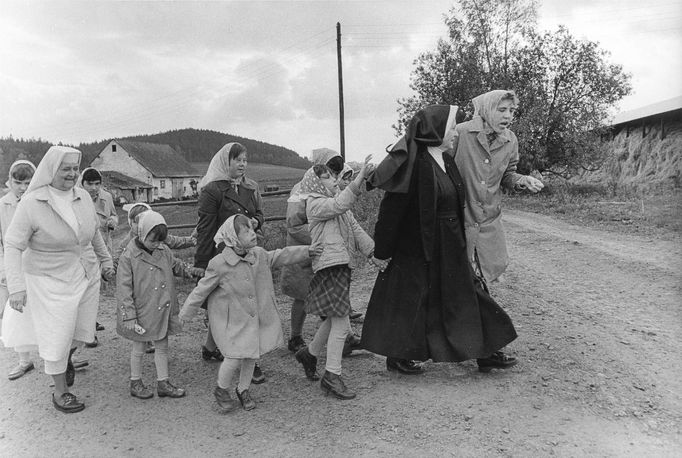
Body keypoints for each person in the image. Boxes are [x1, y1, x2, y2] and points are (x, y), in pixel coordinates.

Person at [360, 105, 518, 375]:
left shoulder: (445, 160)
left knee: (468, 293)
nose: (456, 132)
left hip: (450, 243)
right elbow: (392, 211)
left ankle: (486, 351)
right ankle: (398, 355)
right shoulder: (415, 165)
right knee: (413, 300)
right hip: (420, 245)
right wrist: (382, 250)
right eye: (452, 128)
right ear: (436, 132)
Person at [3, 146, 114, 413]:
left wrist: (106, 260)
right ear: (51, 169)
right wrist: (16, 287)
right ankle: (61, 392)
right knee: (56, 336)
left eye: (75, 169)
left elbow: (94, 232)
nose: (72, 174)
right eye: (66, 169)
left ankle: (67, 358)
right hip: (48, 280)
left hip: (85, 274)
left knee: (81, 330)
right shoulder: (32, 202)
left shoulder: (83, 196)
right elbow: (13, 245)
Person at [180, 214, 317, 412]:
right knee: (234, 356)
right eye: (246, 232)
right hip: (233, 320)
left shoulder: (258, 254)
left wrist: (308, 251)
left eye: (252, 230)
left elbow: (282, 255)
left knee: (252, 355)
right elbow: (200, 290)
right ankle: (221, 388)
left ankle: (243, 389)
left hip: (254, 317)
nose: (253, 234)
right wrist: (185, 315)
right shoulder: (219, 264)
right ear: (233, 238)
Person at [293, 156, 376, 400]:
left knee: (333, 317)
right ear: (315, 184)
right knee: (341, 322)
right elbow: (341, 205)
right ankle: (332, 375)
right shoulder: (316, 205)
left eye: (332, 177)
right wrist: (359, 178)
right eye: (327, 178)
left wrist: (373, 252)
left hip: (340, 265)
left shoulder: (332, 202)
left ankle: (309, 354)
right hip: (330, 266)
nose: (333, 181)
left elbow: (354, 227)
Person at [454, 90, 544, 283]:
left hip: (489, 219)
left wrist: (522, 180)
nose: (508, 116)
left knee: (485, 273)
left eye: (512, 111)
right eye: (501, 109)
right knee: (457, 275)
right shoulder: (460, 133)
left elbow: (508, 174)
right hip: (459, 217)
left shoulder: (510, 140)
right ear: (486, 109)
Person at [194, 143, 266, 383]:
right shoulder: (212, 190)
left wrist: (255, 221)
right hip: (225, 257)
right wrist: (201, 262)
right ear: (226, 162)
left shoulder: (250, 187)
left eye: (245, 160)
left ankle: (210, 347)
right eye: (238, 160)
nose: (243, 164)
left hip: (249, 253)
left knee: (239, 305)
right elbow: (205, 229)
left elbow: (259, 213)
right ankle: (247, 358)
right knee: (235, 308)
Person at [280, 149, 361, 355]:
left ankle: (346, 338)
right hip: (304, 250)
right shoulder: (301, 190)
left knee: (330, 295)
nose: (334, 173)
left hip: (323, 251)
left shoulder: (328, 186)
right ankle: (295, 337)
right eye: (331, 168)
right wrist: (320, 240)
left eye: (336, 169)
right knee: (302, 295)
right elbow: (294, 225)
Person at [116, 210, 203, 399]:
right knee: (139, 347)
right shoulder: (128, 257)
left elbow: (176, 265)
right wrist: (129, 315)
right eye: (153, 240)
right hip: (142, 310)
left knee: (162, 345)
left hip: (162, 306)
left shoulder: (163, 251)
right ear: (141, 233)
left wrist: (190, 270)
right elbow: (124, 290)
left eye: (160, 241)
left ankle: (163, 382)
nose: (157, 245)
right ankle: (135, 381)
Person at [113, 202, 197, 354]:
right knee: (141, 336)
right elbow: (124, 286)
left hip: (158, 297)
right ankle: (136, 375)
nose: (157, 243)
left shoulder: (159, 244)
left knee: (160, 336)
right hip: (142, 295)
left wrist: (190, 269)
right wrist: (112, 267)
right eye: (136, 221)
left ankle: (162, 376)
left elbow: (174, 261)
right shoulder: (128, 250)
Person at [0, 160, 36, 380]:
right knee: (17, 312)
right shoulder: (2, 205)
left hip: (38, 264)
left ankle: (63, 356)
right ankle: (24, 360)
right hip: (13, 266)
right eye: (18, 182)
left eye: (27, 182)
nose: (23, 187)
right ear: (10, 181)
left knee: (46, 308)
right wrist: (4, 270)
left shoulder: (37, 201)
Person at [77, 167, 118, 347]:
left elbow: (115, 214)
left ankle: (91, 321)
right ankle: (88, 331)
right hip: (84, 249)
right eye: (89, 184)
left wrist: (113, 221)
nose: (94, 188)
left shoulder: (106, 197)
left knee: (97, 288)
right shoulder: (76, 198)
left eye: (97, 183)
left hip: (103, 245)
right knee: (84, 288)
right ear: (82, 183)